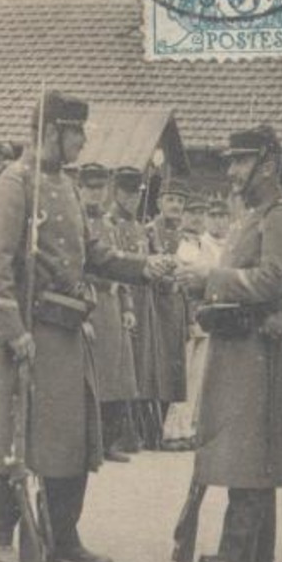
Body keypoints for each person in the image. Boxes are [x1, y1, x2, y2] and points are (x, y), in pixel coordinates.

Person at [0, 92, 172, 562]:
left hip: (68, 332)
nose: (81, 142)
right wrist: (12, 331)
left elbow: (95, 255)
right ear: (52, 131)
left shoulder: (66, 186)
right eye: (76, 132)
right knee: (15, 435)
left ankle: (62, 533)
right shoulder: (13, 186)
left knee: (69, 437)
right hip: (28, 334)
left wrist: (145, 267)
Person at [174, 127, 282, 562]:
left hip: (260, 348)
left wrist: (211, 277)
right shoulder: (257, 215)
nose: (232, 171)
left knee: (250, 448)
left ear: (267, 164)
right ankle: (255, 552)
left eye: (239, 161)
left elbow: (275, 278)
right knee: (251, 445)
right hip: (243, 344)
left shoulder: (280, 217)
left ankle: (235, 560)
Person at [75, 163, 141, 463]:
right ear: (80, 188)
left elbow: (121, 266)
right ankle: (89, 441)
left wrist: (127, 306)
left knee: (117, 375)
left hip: (113, 305)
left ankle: (111, 440)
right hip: (89, 302)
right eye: (90, 188)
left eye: (100, 188)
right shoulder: (76, 223)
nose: (95, 194)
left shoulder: (111, 226)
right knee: (92, 375)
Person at [161, 193, 217, 448]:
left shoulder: (208, 246)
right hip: (183, 314)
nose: (197, 218)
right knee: (181, 374)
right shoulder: (178, 243)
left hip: (205, 316)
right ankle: (171, 431)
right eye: (193, 212)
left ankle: (187, 429)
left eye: (201, 213)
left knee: (197, 376)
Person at [109, 166, 157, 453]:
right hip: (123, 296)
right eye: (126, 194)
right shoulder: (110, 223)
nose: (132, 200)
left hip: (144, 297)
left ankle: (137, 431)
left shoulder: (140, 228)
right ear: (116, 193)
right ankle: (121, 433)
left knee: (140, 365)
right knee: (123, 367)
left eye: (136, 194)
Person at [145, 180, 192, 444]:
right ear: (159, 203)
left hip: (175, 309)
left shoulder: (184, 236)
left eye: (180, 201)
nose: (176, 205)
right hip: (155, 307)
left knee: (173, 369)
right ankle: (150, 431)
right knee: (155, 367)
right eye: (171, 199)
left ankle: (163, 430)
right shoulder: (151, 232)